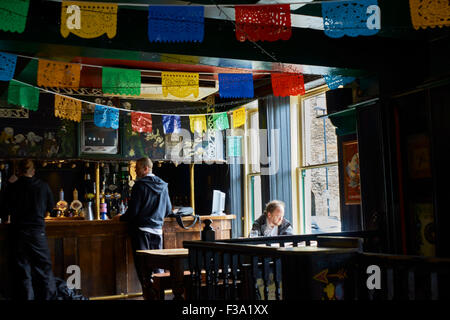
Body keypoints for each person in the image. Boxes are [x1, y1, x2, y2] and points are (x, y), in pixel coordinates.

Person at [0, 159, 57, 300]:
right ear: (33, 171)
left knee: (23, 271)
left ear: (19, 171)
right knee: (44, 270)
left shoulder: (13, 187)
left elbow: (2, 209)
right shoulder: (43, 186)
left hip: (17, 233)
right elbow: (52, 209)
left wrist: (8, 184)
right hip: (37, 233)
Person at [114, 157, 172, 282]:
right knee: (158, 267)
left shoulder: (140, 185)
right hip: (157, 231)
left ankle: (148, 295)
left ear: (146, 168)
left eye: (137, 168)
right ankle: (158, 295)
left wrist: (120, 218)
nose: (135, 171)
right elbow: (168, 210)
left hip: (141, 232)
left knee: (144, 268)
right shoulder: (163, 185)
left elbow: (133, 213)